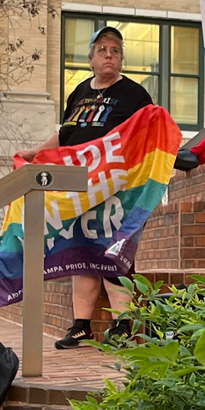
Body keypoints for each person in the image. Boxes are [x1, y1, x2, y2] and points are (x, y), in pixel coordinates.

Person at [49, 25, 153, 349]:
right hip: (80, 188)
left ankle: (123, 324)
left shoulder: (135, 95)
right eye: (102, 50)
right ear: (91, 58)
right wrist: (37, 153)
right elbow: (65, 136)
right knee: (82, 254)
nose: (109, 55)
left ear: (121, 59)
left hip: (118, 187)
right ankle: (81, 326)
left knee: (113, 253)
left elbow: (150, 135)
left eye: (116, 50)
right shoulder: (78, 92)